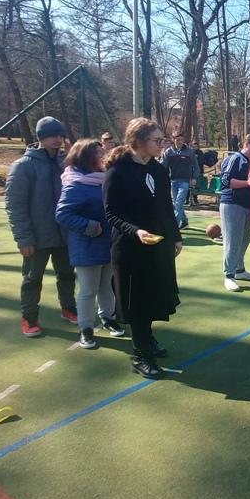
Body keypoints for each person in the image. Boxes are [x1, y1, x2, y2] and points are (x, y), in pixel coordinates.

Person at [103, 118, 182, 378]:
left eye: (163, 140)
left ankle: (147, 339)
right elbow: (112, 213)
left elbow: (166, 206)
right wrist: (135, 231)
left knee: (152, 297)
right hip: (130, 249)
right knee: (136, 303)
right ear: (138, 141)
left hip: (157, 246)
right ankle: (141, 356)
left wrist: (176, 237)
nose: (162, 145)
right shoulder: (118, 171)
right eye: (157, 140)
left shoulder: (158, 170)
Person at [5, 116, 77, 337]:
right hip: (37, 237)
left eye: (60, 135)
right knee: (32, 279)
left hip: (63, 234)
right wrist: (23, 238)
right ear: (41, 138)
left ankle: (68, 308)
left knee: (67, 274)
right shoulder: (23, 166)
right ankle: (29, 318)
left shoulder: (65, 163)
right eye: (51, 135)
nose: (57, 139)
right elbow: (15, 205)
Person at [55, 138, 125, 350]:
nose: (103, 155)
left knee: (107, 286)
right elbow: (63, 214)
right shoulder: (75, 183)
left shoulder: (105, 178)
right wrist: (89, 226)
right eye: (97, 153)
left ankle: (108, 317)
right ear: (85, 157)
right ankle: (85, 328)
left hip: (108, 243)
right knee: (88, 290)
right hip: (86, 246)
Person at [219, 134, 250, 292]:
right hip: (232, 204)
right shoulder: (235, 158)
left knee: (244, 240)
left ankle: (239, 269)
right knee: (233, 240)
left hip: (248, 205)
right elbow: (225, 181)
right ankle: (229, 275)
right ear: (247, 143)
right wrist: (249, 183)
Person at [161, 132, 198, 229]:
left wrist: (194, 177)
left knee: (178, 203)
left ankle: (174, 226)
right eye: (177, 140)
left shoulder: (189, 152)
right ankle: (184, 221)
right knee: (177, 204)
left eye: (181, 140)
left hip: (185, 181)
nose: (180, 142)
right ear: (173, 140)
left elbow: (196, 166)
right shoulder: (169, 152)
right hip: (173, 181)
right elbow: (162, 166)